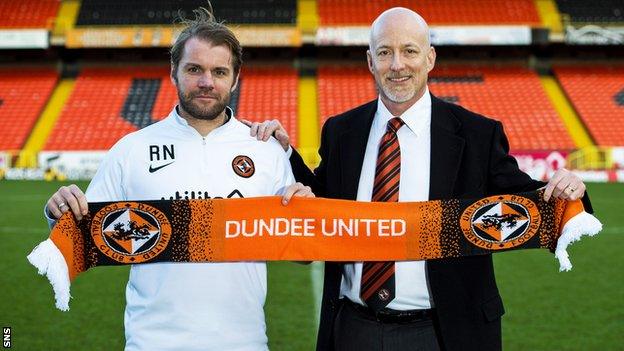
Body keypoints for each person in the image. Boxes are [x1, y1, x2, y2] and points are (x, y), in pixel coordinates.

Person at [247, 7, 591, 351]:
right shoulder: (341, 130)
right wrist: (285, 152)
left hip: (444, 332)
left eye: (409, 51)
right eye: (385, 52)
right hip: (352, 328)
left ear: (430, 58)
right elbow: (321, 203)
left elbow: (532, 199)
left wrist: (570, 191)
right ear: (370, 61)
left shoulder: (476, 134)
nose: (397, 64)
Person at [44, 6, 312, 351]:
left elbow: (304, 253)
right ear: (173, 72)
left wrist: (306, 211)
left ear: (236, 76)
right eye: (194, 69)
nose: (206, 82)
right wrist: (58, 213)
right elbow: (79, 241)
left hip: (244, 343)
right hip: (151, 343)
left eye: (219, 71)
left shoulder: (266, 151)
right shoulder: (131, 150)